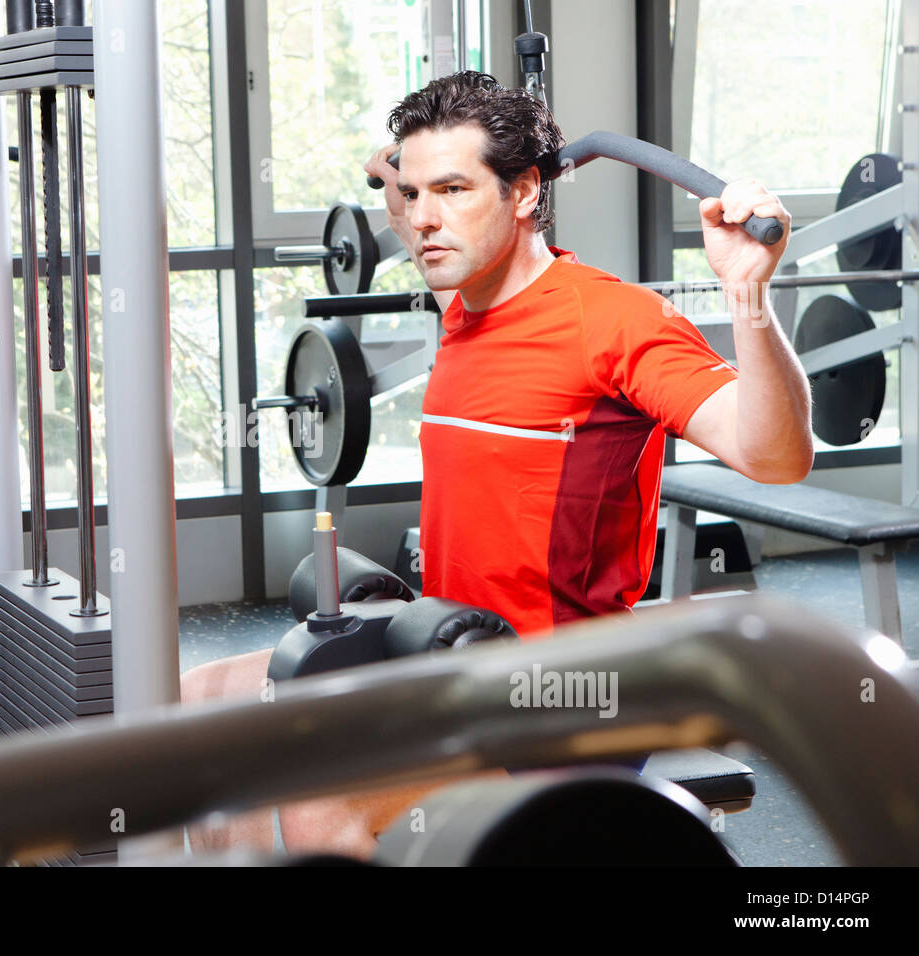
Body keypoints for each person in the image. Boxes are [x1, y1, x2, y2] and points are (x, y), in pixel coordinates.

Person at [181, 71, 812, 859]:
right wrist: (401, 173)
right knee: (194, 706)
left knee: (319, 789)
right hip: (446, 651)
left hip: (562, 699)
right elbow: (413, 192)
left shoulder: (614, 322)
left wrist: (750, 297)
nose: (423, 220)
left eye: (452, 189)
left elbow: (777, 457)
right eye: (411, 196)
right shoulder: (464, 299)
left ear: (523, 194)